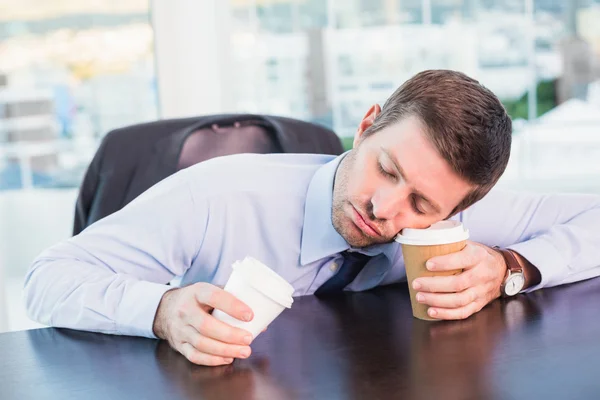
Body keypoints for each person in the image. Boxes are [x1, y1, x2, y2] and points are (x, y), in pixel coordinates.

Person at [24, 70, 600, 367]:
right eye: (386, 168)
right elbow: (47, 278)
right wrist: (161, 310)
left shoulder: (450, 218)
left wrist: (511, 266)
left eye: (422, 206)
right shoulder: (213, 198)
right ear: (367, 125)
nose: (384, 209)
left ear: (455, 212)